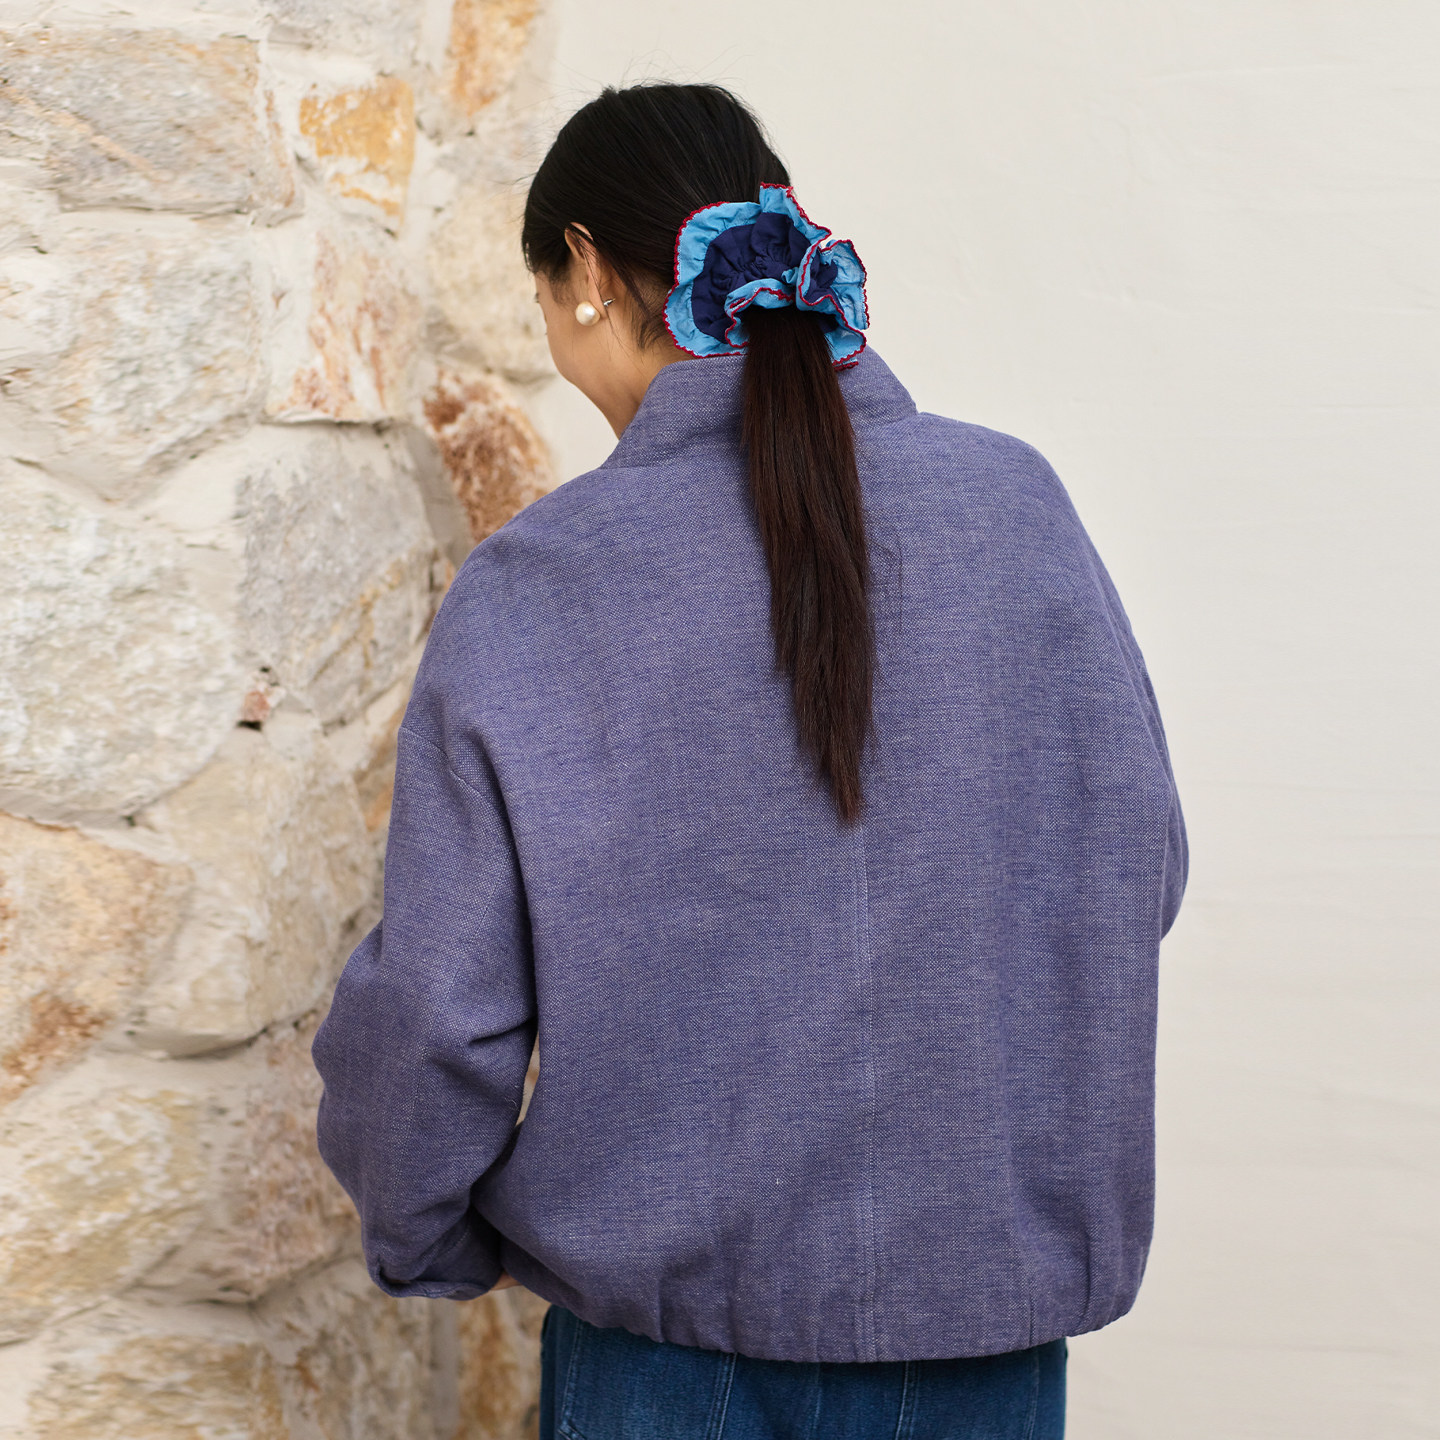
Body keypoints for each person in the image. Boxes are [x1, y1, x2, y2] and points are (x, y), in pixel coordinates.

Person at [312, 82, 1187, 1440]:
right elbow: (1132, 869)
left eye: (543, 301)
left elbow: (441, 1006)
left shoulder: (543, 582)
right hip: (987, 1347)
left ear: (588, 270)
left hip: (672, 1364)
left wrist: (426, 1228)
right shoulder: (1019, 512)